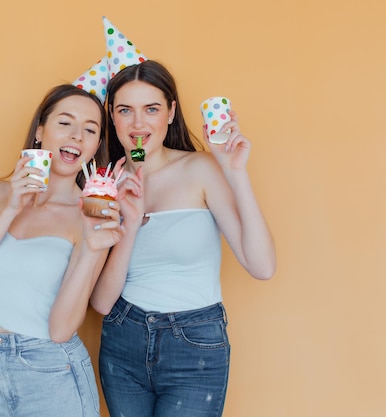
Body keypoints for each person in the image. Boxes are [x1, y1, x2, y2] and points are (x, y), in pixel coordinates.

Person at [90, 60, 276, 417]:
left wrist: (235, 172)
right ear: (111, 116)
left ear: (171, 112)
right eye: (125, 110)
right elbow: (100, 302)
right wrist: (128, 220)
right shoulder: (104, 183)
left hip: (194, 345)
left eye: (152, 109)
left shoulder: (200, 168)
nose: (138, 124)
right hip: (122, 340)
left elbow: (262, 266)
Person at [0, 84, 124, 417]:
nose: (77, 137)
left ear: (97, 145)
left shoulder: (91, 216)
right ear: (40, 130)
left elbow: (60, 330)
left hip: (55, 377)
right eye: (65, 123)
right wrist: (11, 209)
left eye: (90, 129)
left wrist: (90, 249)